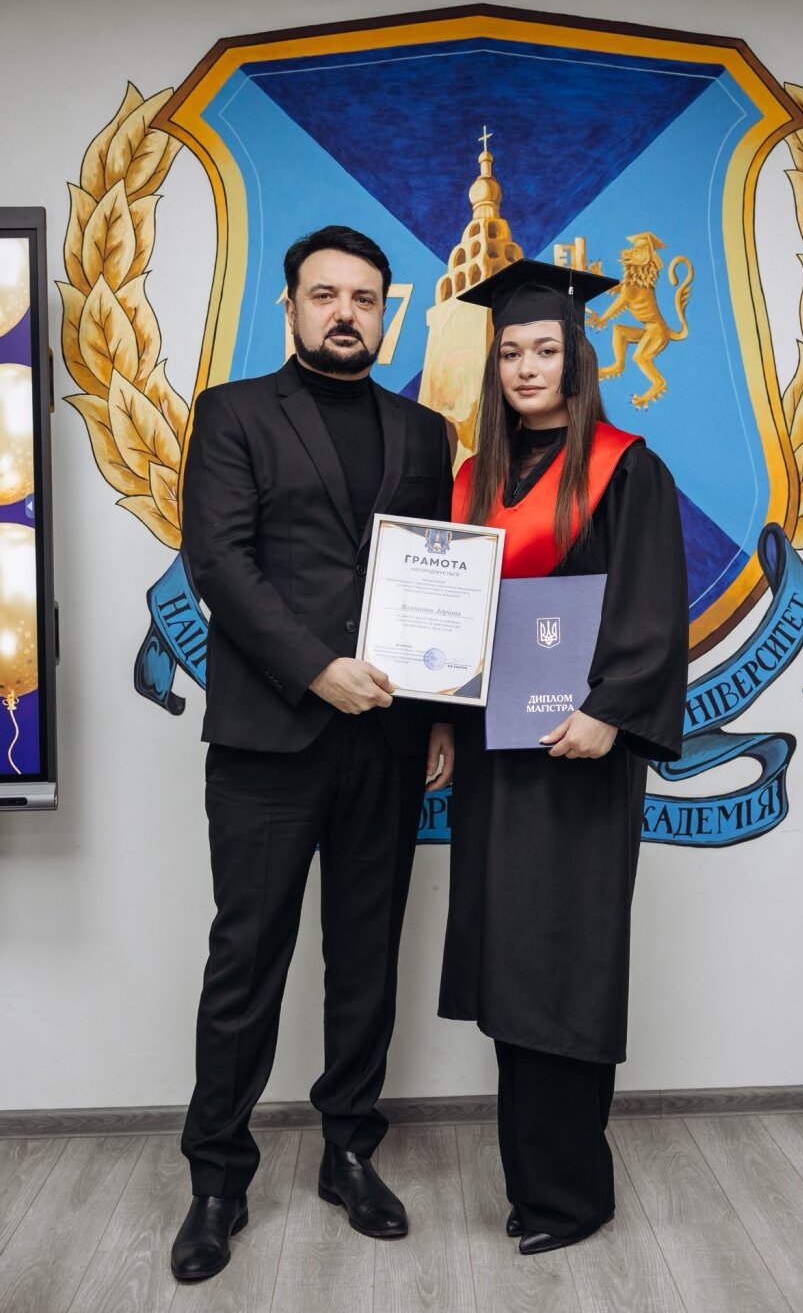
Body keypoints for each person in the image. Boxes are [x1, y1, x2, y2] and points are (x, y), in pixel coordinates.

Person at [171, 225, 454, 1282]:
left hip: (389, 736)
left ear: (387, 314)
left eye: (365, 298)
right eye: (325, 294)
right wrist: (316, 667)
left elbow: (439, 579)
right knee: (246, 962)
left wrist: (439, 713)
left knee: (366, 957)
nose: (345, 312)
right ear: (289, 306)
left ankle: (349, 1152)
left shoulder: (425, 432)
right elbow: (219, 560)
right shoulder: (233, 412)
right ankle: (216, 1180)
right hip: (270, 735)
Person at [439, 258, 689, 1255]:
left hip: (580, 759)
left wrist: (608, 711)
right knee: (513, 961)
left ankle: (572, 1194)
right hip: (500, 757)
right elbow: (456, 618)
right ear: (493, 366)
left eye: (546, 349)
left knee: (566, 964)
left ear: (577, 361)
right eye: (511, 352)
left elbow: (651, 608)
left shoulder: (627, 469)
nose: (528, 367)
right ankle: (533, 1182)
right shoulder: (474, 479)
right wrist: (442, 718)